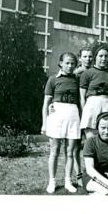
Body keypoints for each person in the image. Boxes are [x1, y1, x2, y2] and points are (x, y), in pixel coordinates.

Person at [41, 52, 81, 194]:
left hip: (73, 115)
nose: (70, 66)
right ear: (60, 63)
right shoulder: (52, 79)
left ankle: (68, 181)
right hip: (57, 115)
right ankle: (52, 181)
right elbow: (46, 104)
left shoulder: (77, 79)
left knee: (70, 152)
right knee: (54, 151)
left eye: (72, 63)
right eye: (67, 63)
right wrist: (44, 124)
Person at [80, 43, 108, 139]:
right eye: (101, 56)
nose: (103, 59)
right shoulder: (87, 73)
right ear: (95, 57)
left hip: (107, 104)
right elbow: (82, 96)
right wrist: (83, 112)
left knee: (106, 136)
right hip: (92, 104)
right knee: (91, 138)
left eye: (106, 56)